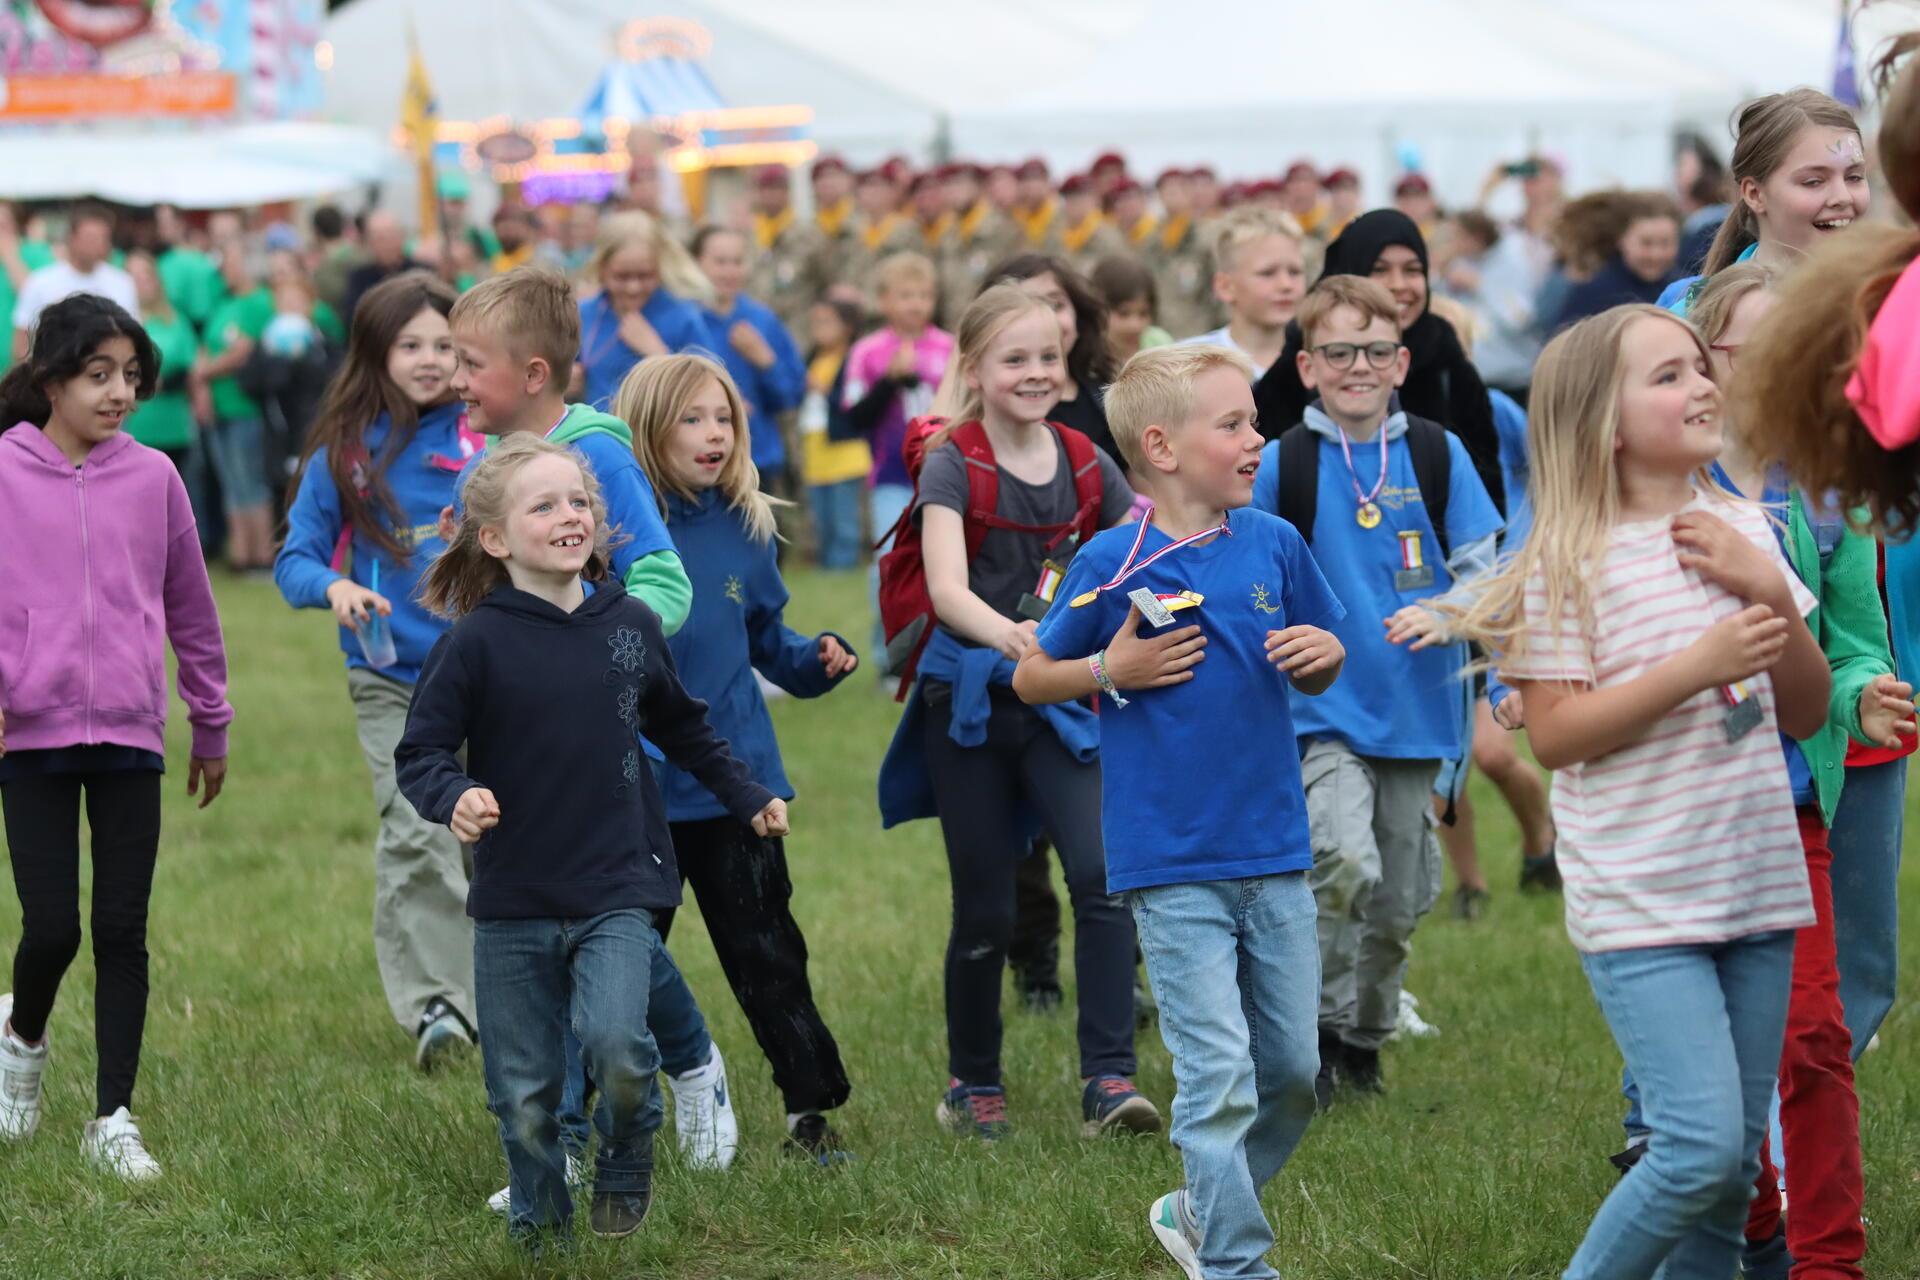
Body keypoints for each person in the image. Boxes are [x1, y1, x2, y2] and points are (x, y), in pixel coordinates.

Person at [1442, 304, 1829, 1280]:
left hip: (1755, 881)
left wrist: (1771, 594)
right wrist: (1698, 664)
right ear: (1602, 423)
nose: (1702, 383)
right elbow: (1563, 735)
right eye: (1668, 374)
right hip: (1644, 899)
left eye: (1701, 366)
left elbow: (1806, 710)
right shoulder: (1561, 565)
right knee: (1695, 1146)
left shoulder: (1746, 526)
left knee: (1733, 1168)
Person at [394, 434, 785, 1246]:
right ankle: (540, 1225)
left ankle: (628, 1149)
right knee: (525, 1093)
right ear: (495, 539)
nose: (569, 515)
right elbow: (421, 753)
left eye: (579, 502)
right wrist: (455, 795)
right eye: (545, 505)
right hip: (513, 899)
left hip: (617, 885)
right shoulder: (474, 643)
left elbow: (685, 727)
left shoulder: (630, 624)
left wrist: (746, 796)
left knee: (618, 1046)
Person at [1013, 344, 1345, 1280]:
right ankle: (1236, 1263)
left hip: (1275, 853)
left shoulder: (1275, 542)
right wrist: (1107, 670)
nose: (1257, 439)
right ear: (1160, 446)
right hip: (1169, 864)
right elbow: (1032, 672)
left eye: (1254, 421)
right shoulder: (1111, 559)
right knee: (1217, 1075)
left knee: (1288, 1076)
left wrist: (1323, 653)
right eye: (1233, 424)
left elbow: (1324, 651)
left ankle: (1198, 1208)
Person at [1611, 266, 1905, 1279]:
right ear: (1700, 365)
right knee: (1727, 1073)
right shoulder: (1648, 492)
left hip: (1788, 801)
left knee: (1815, 1036)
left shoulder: (1829, 495)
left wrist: (1865, 690)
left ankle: (1828, 1262)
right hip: (1667, 816)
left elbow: (1859, 639)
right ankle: (1755, 1218)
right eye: (1752, 348)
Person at [875, 285, 1156, 1141]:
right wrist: (1018, 641)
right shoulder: (953, 459)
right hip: (967, 702)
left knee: (1103, 882)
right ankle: (973, 1083)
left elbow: (1140, 547)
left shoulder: (1084, 458)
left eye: (1047, 358)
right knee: (987, 907)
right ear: (974, 369)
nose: (1035, 374)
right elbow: (950, 588)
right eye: (1015, 359)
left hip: (1063, 701)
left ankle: (1110, 1082)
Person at [1249, 276, 1502, 1103]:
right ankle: (1313, 1034)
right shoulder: (1284, 462)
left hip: (1418, 714)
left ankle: (1365, 1036)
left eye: (1373, 351)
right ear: (1307, 366)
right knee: (1337, 858)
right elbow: (1248, 569)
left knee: (1397, 900)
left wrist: (1450, 611)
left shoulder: (1437, 451)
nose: (1356, 365)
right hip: (1317, 713)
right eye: (1337, 352)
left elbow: (1482, 571)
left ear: (1399, 362)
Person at [0, 293, 231, 1181]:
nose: (120, 393)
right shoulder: (6, 471)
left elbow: (192, 610)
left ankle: (113, 1116)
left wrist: (210, 719)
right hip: (30, 734)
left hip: (133, 729)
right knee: (52, 926)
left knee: (122, 927)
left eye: (131, 376)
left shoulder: (155, 477)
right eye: (100, 375)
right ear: (49, 377)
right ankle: (21, 1037)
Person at [615, 353, 861, 1162]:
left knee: (769, 954)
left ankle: (810, 1111)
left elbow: (766, 643)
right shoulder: (610, 530)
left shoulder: (748, 525)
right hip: (633, 790)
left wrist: (814, 660)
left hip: (736, 789)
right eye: (691, 418)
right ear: (647, 427)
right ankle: (594, 1117)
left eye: (724, 418)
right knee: (615, 963)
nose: (713, 434)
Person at [273, 272, 481, 1069]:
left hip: (489, 678)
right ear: (375, 351)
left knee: (489, 835)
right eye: (411, 345)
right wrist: (335, 585)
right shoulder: (344, 454)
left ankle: (505, 990)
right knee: (417, 828)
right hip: (391, 680)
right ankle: (440, 1007)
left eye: (444, 345)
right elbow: (292, 561)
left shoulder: (486, 438)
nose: (431, 360)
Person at [451, 267, 693, 631]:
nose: (455, 381)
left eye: (472, 365)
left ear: (533, 375)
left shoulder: (600, 457)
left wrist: (594, 643)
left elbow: (665, 588)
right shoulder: (476, 474)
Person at [1252, 209, 1504, 516]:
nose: (1398, 284)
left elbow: (1487, 483)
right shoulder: (1300, 359)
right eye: (1380, 269)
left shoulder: (1446, 356)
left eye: (1412, 270)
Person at [841, 252, 953, 663]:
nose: (915, 304)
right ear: (884, 301)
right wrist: (890, 380)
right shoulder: (869, 351)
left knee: (947, 564)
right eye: (905, 295)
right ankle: (891, 655)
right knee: (888, 566)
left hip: (946, 476)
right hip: (891, 477)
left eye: (924, 295)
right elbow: (853, 415)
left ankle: (943, 651)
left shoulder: (950, 347)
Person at [1661, 89, 1866, 314]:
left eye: (1854, 177)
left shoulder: (1892, 298)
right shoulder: (1692, 312)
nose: (1843, 197)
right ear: (1754, 194)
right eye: (1814, 181)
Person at [689, 226, 807, 484]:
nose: (730, 271)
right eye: (720, 262)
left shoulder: (762, 320)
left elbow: (791, 396)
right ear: (697, 263)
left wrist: (766, 361)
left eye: (737, 262)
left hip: (757, 460)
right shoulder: (686, 320)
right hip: (697, 463)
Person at [991, 253, 1121, 467]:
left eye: (1056, 305)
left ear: (1077, 316)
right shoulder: (988, 404)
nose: (1046, 319)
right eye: (1027, 305)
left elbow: (1143, 492)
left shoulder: (1107, 396)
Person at [573, 213, 711, 412]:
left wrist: (659, 354)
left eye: (644, 275)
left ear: (660, 268)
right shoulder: (585, 315)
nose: (633, 287)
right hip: (596, 437)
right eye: (621, 276)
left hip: (656, 439)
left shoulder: (682, 317)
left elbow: (708, 387)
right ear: (602, 268)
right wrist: (564, 384)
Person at [1180, 208, 1307, 380]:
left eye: (1295, 271)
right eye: (1267, 273)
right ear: (1225, 286)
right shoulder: (1188, 365)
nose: (1286, 285)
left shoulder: (1322, 360)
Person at [11, 206, 138, 361]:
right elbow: (22, 341)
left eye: (103, 237)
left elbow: (132, 335)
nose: (97, 243)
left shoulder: (122, 282)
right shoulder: (41, 281)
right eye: (90, 237)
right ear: (71, 238)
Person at [797, 298, 870, 570]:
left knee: (844, 518)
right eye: (816, 323)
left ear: (848, 327)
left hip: (844, 452)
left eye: (827, 322)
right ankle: (826, 564)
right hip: (816, 450)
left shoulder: (853, 358)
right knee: (822, 517)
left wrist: (824, 390)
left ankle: (843, 565)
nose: (819, 329)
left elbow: (854, 402)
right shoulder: (812, 358)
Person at [1550, 193, 1683, 330]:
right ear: (1622, 239)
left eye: (1665, 243)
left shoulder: (1686, 289)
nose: (1656, 254)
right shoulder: (1593, 292)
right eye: (1646, 243)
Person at [122, 251, 199, 480]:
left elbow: (192, 366)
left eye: (145, 275)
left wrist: (164, 382)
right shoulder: (119, 323)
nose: (140, 283)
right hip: (134, 426)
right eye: (132, 277)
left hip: (174, 424)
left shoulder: (175, 319)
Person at [745, 165, 829, 338]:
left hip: (797, 329)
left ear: (787, 192)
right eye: (765, 189)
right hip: (756, 329)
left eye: (777, 188)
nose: (771, 195)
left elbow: (825, 280)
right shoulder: (749, 235)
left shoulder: (807, 234)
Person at [938, 162, 1022, 329]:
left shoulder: (1003, 230)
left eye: (960, 184)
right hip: (953, 329)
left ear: (980, 187)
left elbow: (1015, 285)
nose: (954, 191)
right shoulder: (949, 234)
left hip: (992, 329)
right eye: (949, 185)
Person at [1147, 169, 1219, 339]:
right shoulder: (1153, 240)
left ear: (1189, 193)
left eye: (1179, 189)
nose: (1173, 196)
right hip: (1162, 332)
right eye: (1166, 191)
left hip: (1198, 330)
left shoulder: (1205, 236)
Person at [1090, 255, 1173, 368]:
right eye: (1123, 313)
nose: (1135, 325)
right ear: (1099, 309)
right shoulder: (1090, 356)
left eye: (1143, 313)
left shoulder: (1160, 343)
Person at [341, 211, 423, 323]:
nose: (384, 243)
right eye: (377, 238)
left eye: (389, 236)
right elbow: (352, 317)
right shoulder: (359, 277)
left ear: (401, 237)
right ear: (369, 242)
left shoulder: (422, 272)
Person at [1011, 158, 1062, 253]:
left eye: (1036, 179)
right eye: (1025, 180)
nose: (1030, 186)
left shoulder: (1062, 217)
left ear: (1047, 183)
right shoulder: (1014, 218)